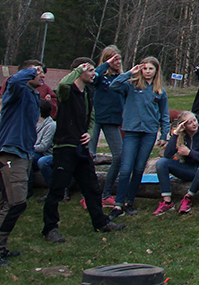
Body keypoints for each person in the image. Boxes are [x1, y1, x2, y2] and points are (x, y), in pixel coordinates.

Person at [41, 58, 125, 243]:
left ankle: (100, 222)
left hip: (81, 148)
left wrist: (89, 133)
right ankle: (50, 228)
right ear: (78, 72)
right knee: (56, 190)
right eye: (90, 70)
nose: (94, 74)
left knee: (92, 187)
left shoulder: (88, 92)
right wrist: (79, 70)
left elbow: (92, 118)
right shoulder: (66, 91)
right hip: (64, 147)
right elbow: (63, 84)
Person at [108, 57, 171, 219]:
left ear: (156, 71)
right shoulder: (131, 85)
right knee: (126, 168)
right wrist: (129, 73)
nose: (147, 72)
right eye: (145, 69)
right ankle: (118, 204)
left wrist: (164, 134)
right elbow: (113, 86)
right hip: (131, 131)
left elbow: (164, 115)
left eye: (151, 69)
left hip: (149, 132)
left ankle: (130, 202)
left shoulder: (160, 91)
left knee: (138, 168)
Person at [0, 60, 46, 265]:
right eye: (38, 72)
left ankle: (2, 247)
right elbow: (13, 81)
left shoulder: (32, 95)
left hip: (25, 153)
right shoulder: (15, 90)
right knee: (15, 203)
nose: (42, 75)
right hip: (11, 153)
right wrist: (30, 71)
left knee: (7, 202)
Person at [152, 111, 199, 216]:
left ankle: (188, 197)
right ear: (184, 126)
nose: (194, 124)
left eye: (194, 120)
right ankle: (167, 201)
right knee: (162, 162)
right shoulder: (181, 135)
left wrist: (190, 153)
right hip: (188, 169)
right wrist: (175, 134)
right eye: (190, 123)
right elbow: (167, 155)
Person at [89, 47, 125, 207]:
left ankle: (106, 193)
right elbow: (93, 78)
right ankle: (87, 194)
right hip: (96, 119)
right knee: (89, 156)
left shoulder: (121, 79)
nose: (117, 62)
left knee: (119, 156)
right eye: (113, 59)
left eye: (118, 59)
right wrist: (106, 65)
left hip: (112, 120)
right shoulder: (100, 77)